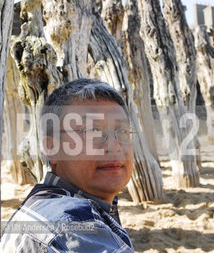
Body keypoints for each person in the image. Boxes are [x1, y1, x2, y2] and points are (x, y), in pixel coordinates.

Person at [2, 78, 135, 252]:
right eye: (92, 131)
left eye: (122, 131)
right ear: (52, 147)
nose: (114, 146)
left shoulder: (45, 205)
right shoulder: (72, 225)